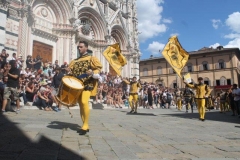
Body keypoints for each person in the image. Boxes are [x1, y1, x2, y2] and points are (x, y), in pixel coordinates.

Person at [68, 41, 102, 135]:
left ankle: (85, 125)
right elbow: (72, 72)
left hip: (88, 84)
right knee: (81, 105)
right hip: (77, 85)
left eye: (81, 47)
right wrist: (69, 71)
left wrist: (92, 72)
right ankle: (84, 125)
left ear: (86, 48)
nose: (79, 48)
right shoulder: (75, 61)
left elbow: (98, 69)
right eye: (78, 47)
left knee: (84, 102)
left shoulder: (91, 58)